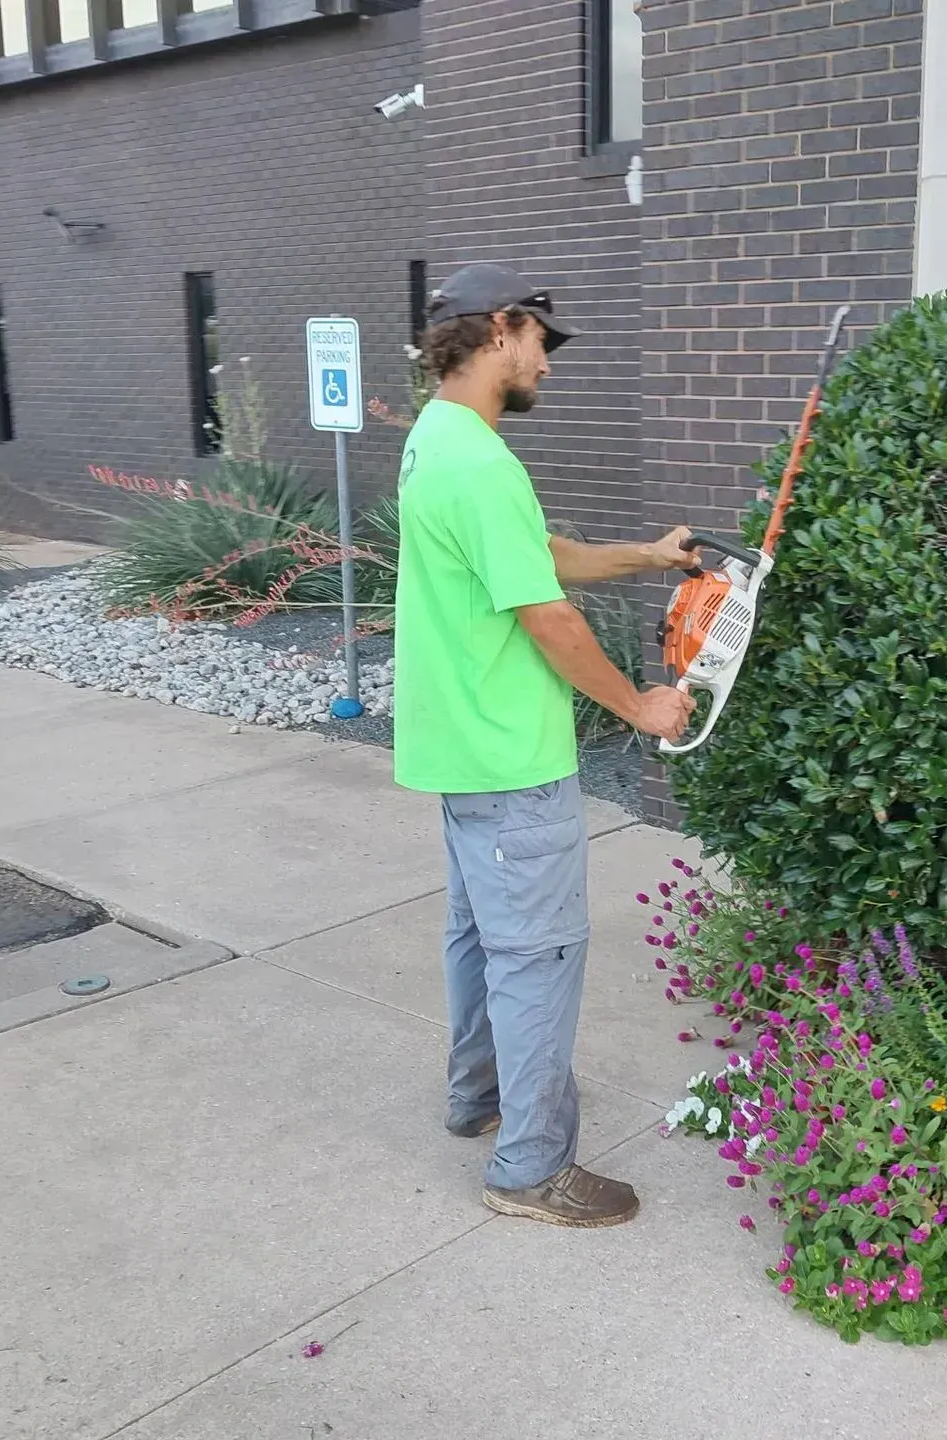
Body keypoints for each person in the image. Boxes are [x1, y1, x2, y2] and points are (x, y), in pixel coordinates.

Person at [393, 263, 698, 1228]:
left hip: (460, 748)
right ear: (503, 328)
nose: (547, 368)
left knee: (482, 937)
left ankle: (479, 1098)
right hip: (509, 755)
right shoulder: (481, 462)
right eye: (542, 346)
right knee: (539, 953)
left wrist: (649, 556)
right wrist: (639, 708)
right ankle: (530, 1168)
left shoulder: (437, 440)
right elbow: (548, 614)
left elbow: (541, 554)